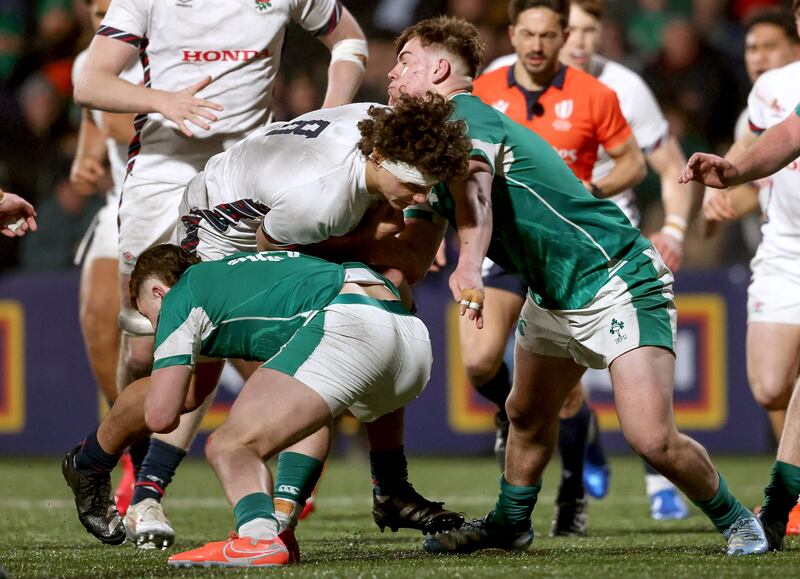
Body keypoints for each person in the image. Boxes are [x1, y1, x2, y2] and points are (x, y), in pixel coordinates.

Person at [384, 15, 766, 557]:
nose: (393, 72)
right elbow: (418, 240)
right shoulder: (422, 145)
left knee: (651, 439)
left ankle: (739, 521)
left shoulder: (463, 112)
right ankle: (511, 522)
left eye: (406, 61)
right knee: (526, 412)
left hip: (614, 275)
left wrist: (468, 265)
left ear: (440, 68)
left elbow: (476, 190)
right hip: (552, 290)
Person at [62, 93, 473, 551]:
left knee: (365, 312)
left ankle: (358, 496)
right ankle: (93, 464)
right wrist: (378, 238)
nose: (419, 198)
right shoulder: (322, 200)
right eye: (413, 185)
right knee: (214, 388)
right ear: (377, 156)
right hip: (226, 232)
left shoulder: (390, 129)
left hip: (262, 198)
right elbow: (273, 253)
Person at [73, 0, 369, 549]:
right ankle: (115, 471)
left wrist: (327, 113)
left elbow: (349, 43)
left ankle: (260, 513)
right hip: (161, 179)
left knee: (261, 351)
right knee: (148, 357)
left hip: (250, 183)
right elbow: (90, 82)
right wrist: (164, 100)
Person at [63, 244, 433, 567]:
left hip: (350, 328)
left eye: (148, 315)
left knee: (229, 445)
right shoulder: (239, 280)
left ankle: (255, 537)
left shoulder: (180, 295)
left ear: (158, 292)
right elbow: (193, 395)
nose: (154, 325)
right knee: (302, 417)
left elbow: (161, 415)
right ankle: (280, 525)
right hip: (410, 343)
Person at [460, 0, 649, 535]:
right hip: (506, 249)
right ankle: (511, 411)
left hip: (566, 253)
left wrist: (592, 188)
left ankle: (571, 494)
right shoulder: (485, 92)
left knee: (563, 394)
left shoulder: (596, 93)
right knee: (478, 363)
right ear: (513, 35)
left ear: (564, 37)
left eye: (549, 35)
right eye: (528, 34)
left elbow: (633, 162)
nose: (538, 45)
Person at [695, 7, 800, 536]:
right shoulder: (775, 91)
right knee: (771, 384)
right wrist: (731, 174)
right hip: (784, 250)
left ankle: (781, 507)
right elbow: (778, 139)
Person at [70, 0, 140, 515]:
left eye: (108, 8)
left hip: (184, 199)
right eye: (94, 10)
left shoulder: (169, 53)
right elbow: (99, 130)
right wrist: (84, 163)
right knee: (99, 319)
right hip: (121, 202)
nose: (101, 19)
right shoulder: (86, 62)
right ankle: (131, 450)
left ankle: (286, 449)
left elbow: (124, 127)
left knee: (240, 348)